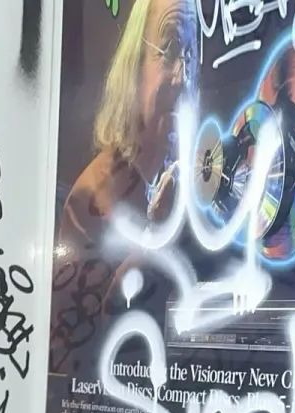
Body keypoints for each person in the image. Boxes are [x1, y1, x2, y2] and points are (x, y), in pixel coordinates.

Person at [50, 0, 199, 377]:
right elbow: (78, 361)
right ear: (134, 68)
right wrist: (153, 242)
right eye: (168, 51)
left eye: (190, 55)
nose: (182, 77)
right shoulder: (92, 198)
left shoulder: (184, 178)